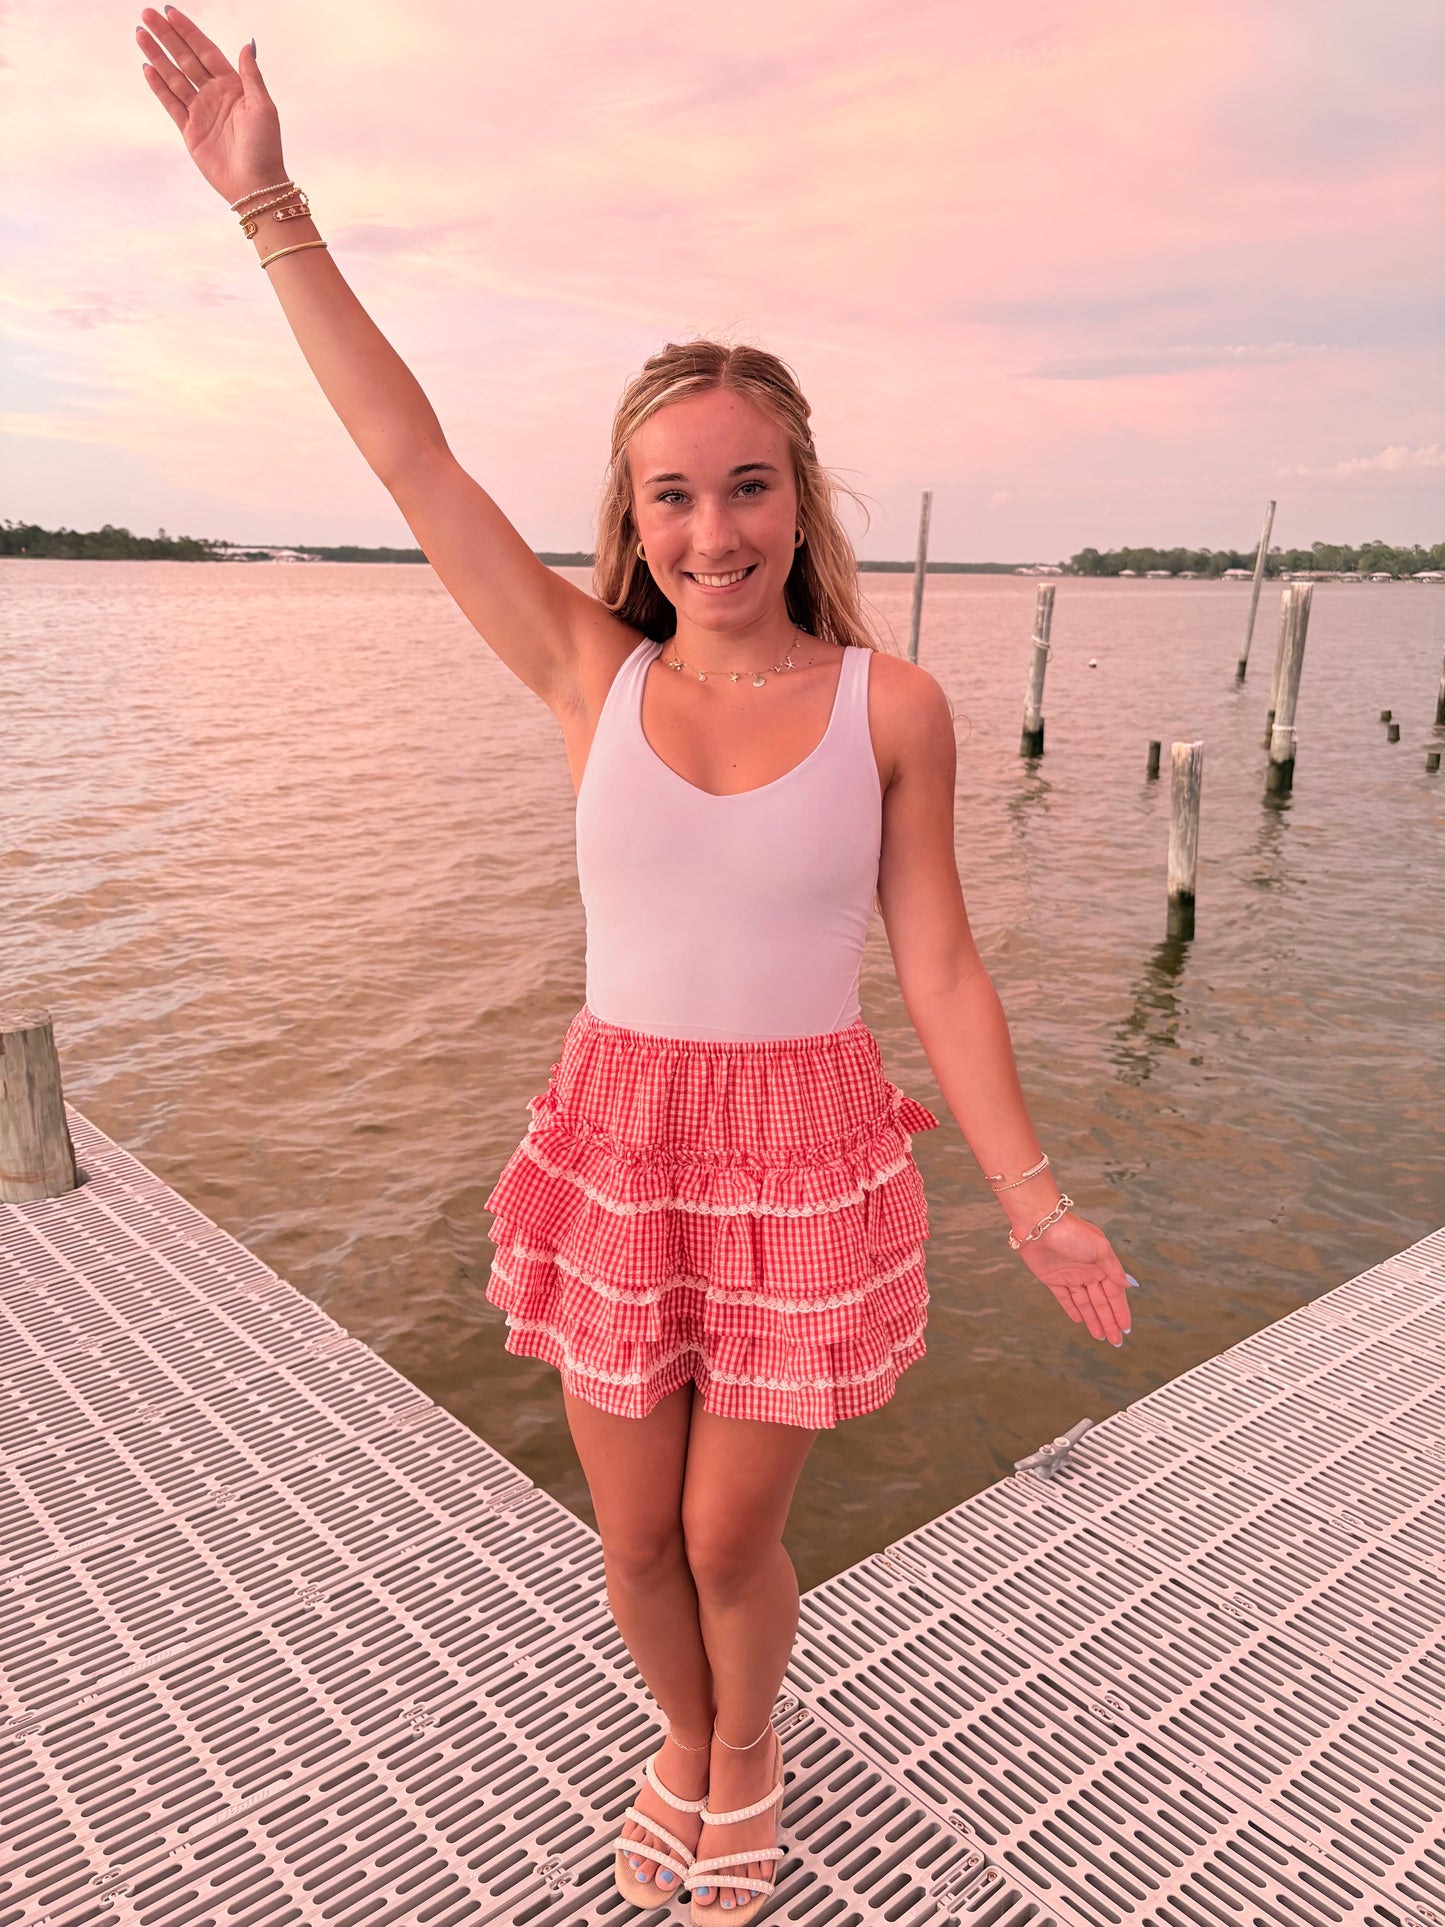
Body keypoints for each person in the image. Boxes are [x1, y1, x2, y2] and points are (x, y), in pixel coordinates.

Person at [138, 13, 1138, 1919]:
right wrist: (268, 203)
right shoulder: (586, 670)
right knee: (627, 1546)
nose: (710, 529)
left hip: (797, 1153)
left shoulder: (892, 702)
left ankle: (740, 1753)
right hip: (617, 1136)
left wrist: (1031, 1196)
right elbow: (406, 447)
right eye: (671, 496)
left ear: (798, 496)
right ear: (633, 517)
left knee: (725, 1527)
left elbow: (935, 961)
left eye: (745, 487)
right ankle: (677, 1739)